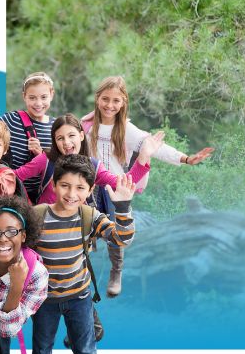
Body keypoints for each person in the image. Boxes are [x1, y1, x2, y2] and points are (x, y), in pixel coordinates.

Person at [81, 76, 214, 295]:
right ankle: (82, 272)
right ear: (97, 98)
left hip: (116, 187)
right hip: (89, 185)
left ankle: (116, 271)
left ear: (123, 102)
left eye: (116, 101)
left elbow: (153, 146)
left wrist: (185, 158)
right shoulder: (85, 125)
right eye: (105, 99)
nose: (110, 105)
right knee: (84, 227)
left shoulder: (125, 128)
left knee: (116, 228)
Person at [29, 155, 136, 354]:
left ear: (90, 190)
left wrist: (122, 208)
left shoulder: (90, 216)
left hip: (79, 296)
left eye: (80, 188)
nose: (71, 193)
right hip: (45, 299)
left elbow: (121, 239)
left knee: (85, 345)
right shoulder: (36, 215)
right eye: (65, 185)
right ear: (54, 185)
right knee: (42, 345)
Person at [14, 113, 162, 206]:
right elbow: (13, 177)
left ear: (81, 135)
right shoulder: (45, 160)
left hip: (77, 231)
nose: (66, 142)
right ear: (55, 141)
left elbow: (123, 184)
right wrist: (28, 207)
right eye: (60, 138)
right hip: (45, 228)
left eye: (71, 135)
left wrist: (144, 156)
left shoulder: (93, 166)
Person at [0, 195, 48, 354]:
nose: (2, 238)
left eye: (11, 231)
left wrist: (17, 286)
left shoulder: (37, 275)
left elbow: (8, 330)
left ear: (23, 235)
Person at [0, 72, 57, 202]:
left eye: (44, 97)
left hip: (42, 199)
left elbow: (61, 168)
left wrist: (41, 154)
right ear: (24, 96)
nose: (38, 103)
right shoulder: (11, 120)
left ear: (52, 95)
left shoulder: (56, 128)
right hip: (11, 194)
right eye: (32, 98)